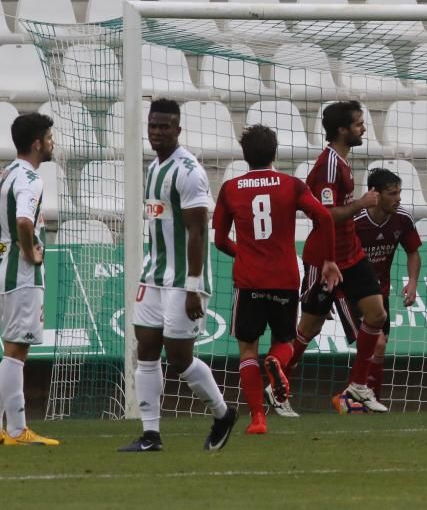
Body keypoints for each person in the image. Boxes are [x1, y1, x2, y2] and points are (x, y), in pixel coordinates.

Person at [120, 99, 238, 452]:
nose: (157, 132)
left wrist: (193, 286)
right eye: (153, 126)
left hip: (185, 279)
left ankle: (222, 413)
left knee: (180, 357)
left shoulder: (188, 171)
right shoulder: (154, 167)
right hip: (153, 275)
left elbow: (198, 230)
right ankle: (151, 434)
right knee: (146, 349)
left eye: (165, 126)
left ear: (178, 130)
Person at [212, 125, 341, 435]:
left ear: (245, 155)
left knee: (247, 350)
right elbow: (324, 218)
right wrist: (329, 260)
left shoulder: (230, 189)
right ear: (275, 153)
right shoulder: (291, 185)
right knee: (284, 341)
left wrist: (242, 253)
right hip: (284, 277)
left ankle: (258, 419)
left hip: (249, 281)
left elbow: (218, 239)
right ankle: (277, 363)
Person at [288, 101, 392, 414]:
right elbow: (327, 216)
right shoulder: (328, 167)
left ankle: (358, 387)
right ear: (342, 130)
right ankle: (276, 381)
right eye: (359, 123)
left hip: (351, 253)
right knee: (308, 329)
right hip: (326, 259)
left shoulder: (342, 163)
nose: (364, 128)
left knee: (377, 315)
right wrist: (361, 204)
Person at [0, 113, 59, 447]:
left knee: (11, 347)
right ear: (37, 143)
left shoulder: (3, 175)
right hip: (21, 274)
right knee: (16, 350)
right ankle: (17, 429)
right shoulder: (30, 179)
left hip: (1, 269)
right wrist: (28, 253)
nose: (52, 142)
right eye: (49, 137)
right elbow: (25, 221)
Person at [334, 168, 423, 405]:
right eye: (392, 193)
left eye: (399, 192)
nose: (398, 198)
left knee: (379, 348)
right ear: (375, 194)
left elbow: (413, 252)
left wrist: (412, 282)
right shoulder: (356, 220)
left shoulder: (402, 218)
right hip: (351, 290)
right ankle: (362, 396)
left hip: (379, 293)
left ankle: (362, 399)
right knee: (378, 343)